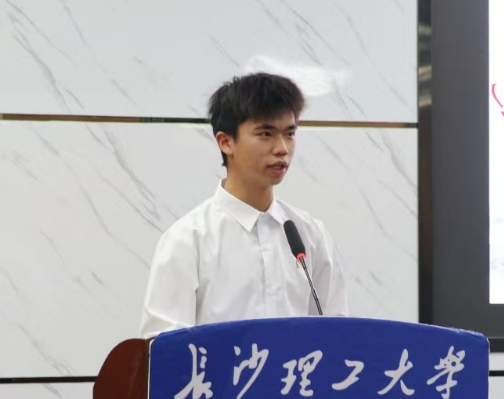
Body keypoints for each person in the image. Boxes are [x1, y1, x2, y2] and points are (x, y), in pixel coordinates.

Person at [138, 72, 348, 337]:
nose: (282, 148)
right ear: (226, 142)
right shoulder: (188, 240)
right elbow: (162, 348)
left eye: (290, 134)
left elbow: (338, 336)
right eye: (266, 134)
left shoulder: (311, 236)